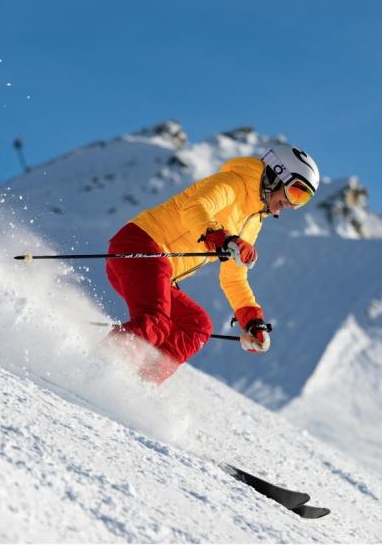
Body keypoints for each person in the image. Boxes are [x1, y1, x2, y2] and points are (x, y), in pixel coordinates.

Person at [105, 144, 321, 383]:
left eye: (302, 200)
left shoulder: (253, 220)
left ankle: (138, 384)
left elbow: (233, 277)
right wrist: (220, 237)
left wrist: (251, 320)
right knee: (155, 323)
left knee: (196, 326)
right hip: (142, 245)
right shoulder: (233, 183)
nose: (291, 205)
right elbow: (194, 206)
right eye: (295, 193)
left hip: (160, 271)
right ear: (276, 174)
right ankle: (99, 365)